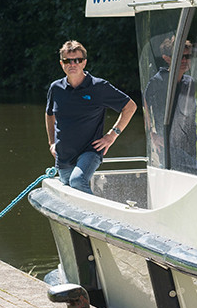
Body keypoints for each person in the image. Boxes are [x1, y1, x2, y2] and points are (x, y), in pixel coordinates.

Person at [45, 41, 137, 194]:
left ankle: (101, 210)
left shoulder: (99, 87)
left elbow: (130, 107)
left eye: (77, 60)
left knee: (77, 181)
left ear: (84, 62)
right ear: (62, 64)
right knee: (70, 192)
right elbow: (49, 114)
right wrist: (52, 142)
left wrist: (112, 135)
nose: (72, 64)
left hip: (90, 150)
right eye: (67, 60)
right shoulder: (56, 88)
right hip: (64, 155)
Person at [143, 37, 197, 174]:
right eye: (180, 57)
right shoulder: (158, 81)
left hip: (188, 146)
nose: (184, 60)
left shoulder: (189, 82)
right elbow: (144, 106)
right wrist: (153, 135)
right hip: (169, 148)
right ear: (167, 58)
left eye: (187, 56)